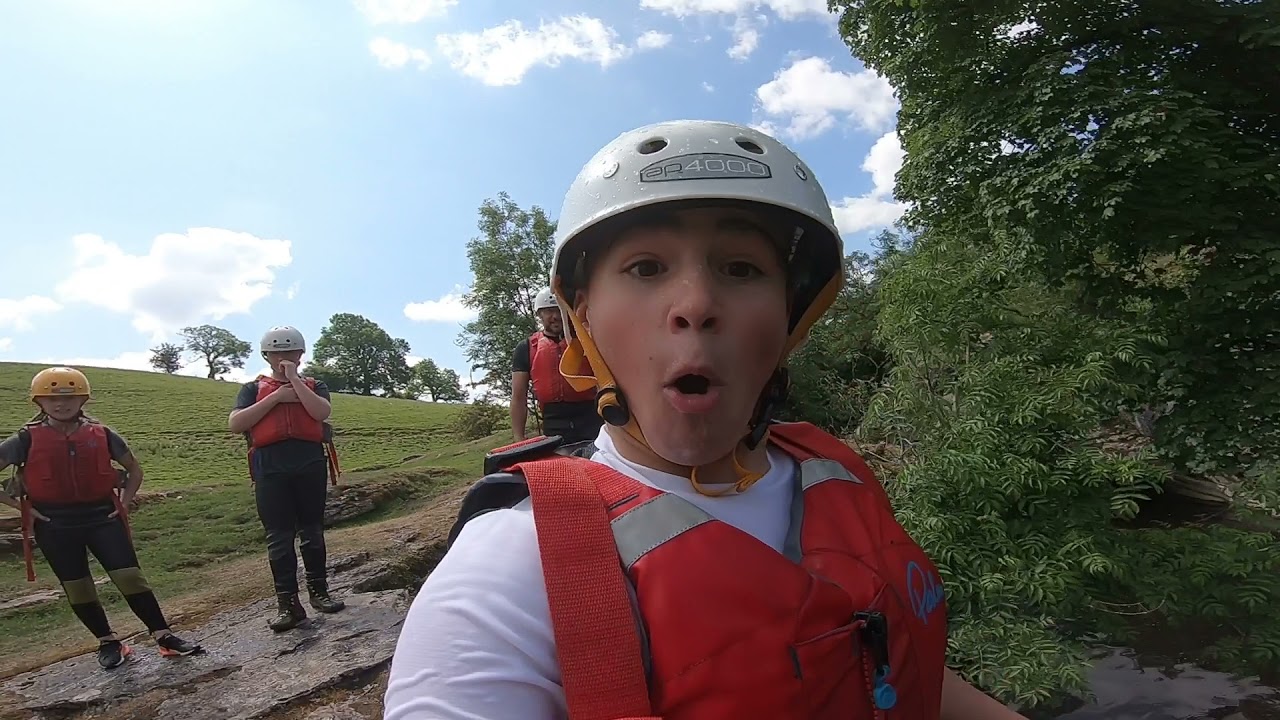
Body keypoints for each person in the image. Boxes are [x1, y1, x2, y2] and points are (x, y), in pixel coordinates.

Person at [383, 120, 1031, 720]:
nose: (696, 304)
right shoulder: (510, 571)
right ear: (584, 316)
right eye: (645, 268)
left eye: (741, 268)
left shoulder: (832, 471)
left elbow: (896, 664)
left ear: (789, 315)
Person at [0, 367, 202, 670]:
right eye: (51, 398)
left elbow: (134, 470)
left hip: (101, 516)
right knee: (77, 586)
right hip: (54, 523)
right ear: (38, 402)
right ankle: (109, 641)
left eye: (70, 398)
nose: (61, 404)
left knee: (130, 577)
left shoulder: (103, 433)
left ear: (83, 400)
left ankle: (164, 636)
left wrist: (125, 500)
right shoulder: (24, 439)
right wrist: (23, 509)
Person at [229, 326, 345, 633]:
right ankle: (288, 604)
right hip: (271, 465)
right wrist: (278, 397)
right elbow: (236, 423)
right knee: (279, 537)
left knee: (312, 530)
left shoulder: (314, 384)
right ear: (267, 356)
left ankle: (319, 592)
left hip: (308, 461)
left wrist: (294, 380)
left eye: (290, 352)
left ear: (300, 354)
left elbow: (320, 412)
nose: (284, 357)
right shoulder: (252, 390)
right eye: (278, 353)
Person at [509, 287, 604, 446]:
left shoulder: (587, 341)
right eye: (549, 311)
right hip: (553, 422)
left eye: (560, 310)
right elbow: (518, 397)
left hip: (590, 417)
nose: (556, 316)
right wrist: (519, 437)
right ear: (539, 314)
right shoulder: (526, 348)